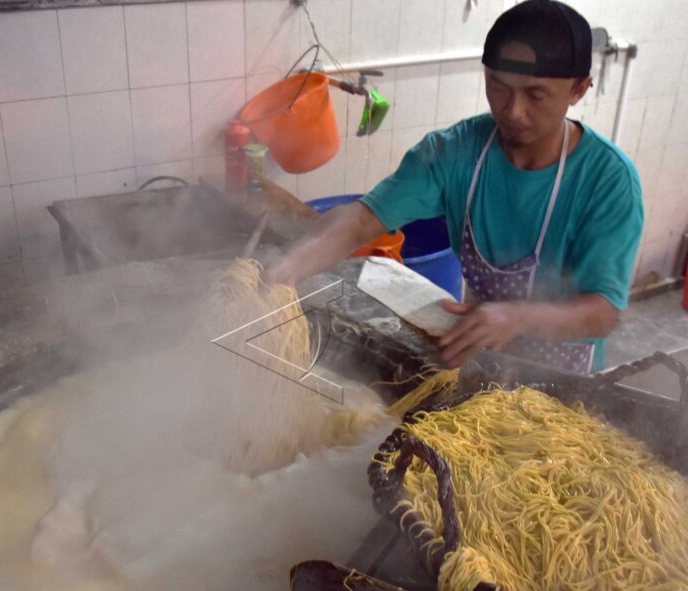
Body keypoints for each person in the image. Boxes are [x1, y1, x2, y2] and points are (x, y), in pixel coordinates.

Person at [266, 0, 644, 374]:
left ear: (579, 89)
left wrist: (516, 317)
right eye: (498, 86)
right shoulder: (455, 152)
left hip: (563, 378)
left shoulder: (607, 181)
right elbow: (362, 220)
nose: (513, 110)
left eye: (535, 94)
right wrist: (286, 267)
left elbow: (603, 312)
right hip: (478, 357)